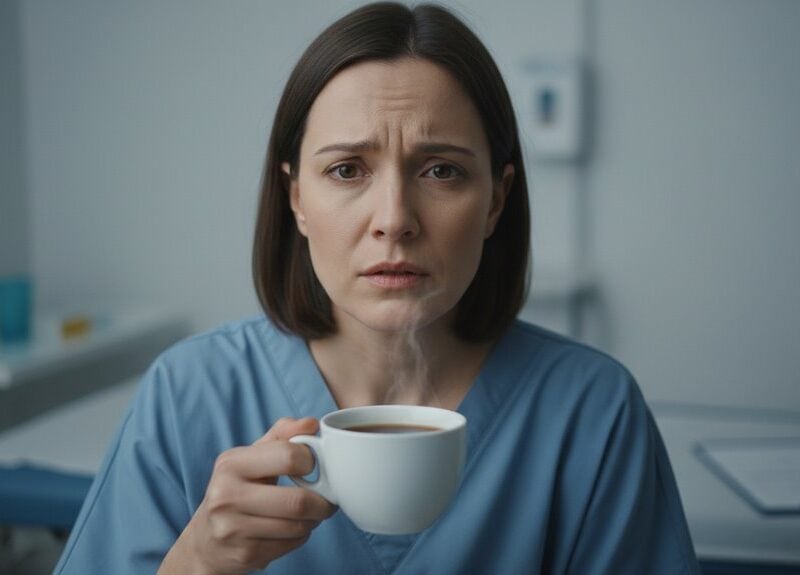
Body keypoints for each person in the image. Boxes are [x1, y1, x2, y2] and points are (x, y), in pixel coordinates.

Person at [55, 3, 701, 574]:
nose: (394, 217)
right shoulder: (187, 396)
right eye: (346, 169)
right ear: (296, 199)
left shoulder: (593, 414)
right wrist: (196, 562)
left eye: (442, 169)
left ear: (497, 201)